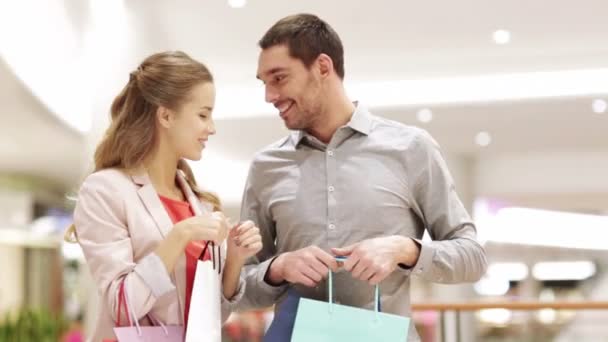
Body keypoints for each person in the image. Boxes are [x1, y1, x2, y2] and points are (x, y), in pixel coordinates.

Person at [237, 14, 487, 341]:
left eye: (279, 78)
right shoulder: (266, 166)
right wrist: (278, 269)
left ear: (323, 67)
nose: (269, 96)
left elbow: (472, 258)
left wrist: (404, 249)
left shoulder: (411, 148)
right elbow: (238, 288)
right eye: (264, 82)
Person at [65, 51, 262, 341]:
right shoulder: (105, 190)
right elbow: (123, 307)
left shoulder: (199, 204)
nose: (212, 127)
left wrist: (234, 259)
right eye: (203, 114)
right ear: (166, 115)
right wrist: (179, 236)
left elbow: (210, 318)